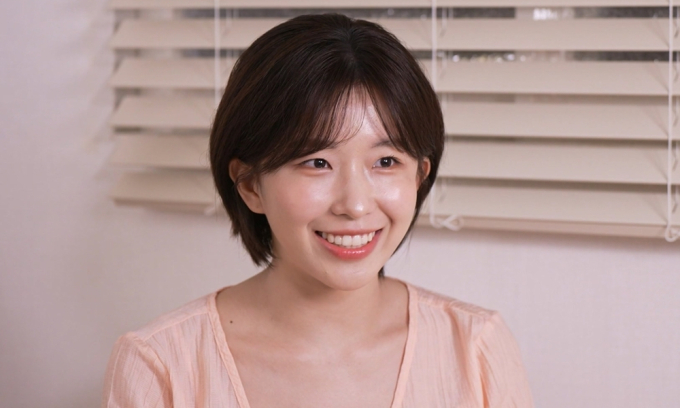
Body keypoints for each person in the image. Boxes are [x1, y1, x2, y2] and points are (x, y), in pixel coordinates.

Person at [102, 13, 533, 408]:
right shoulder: (160, 366)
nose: (355, 205)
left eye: (386, 162)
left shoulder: (475, 350)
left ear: (419, 176)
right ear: (250, 184)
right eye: (317, 163)